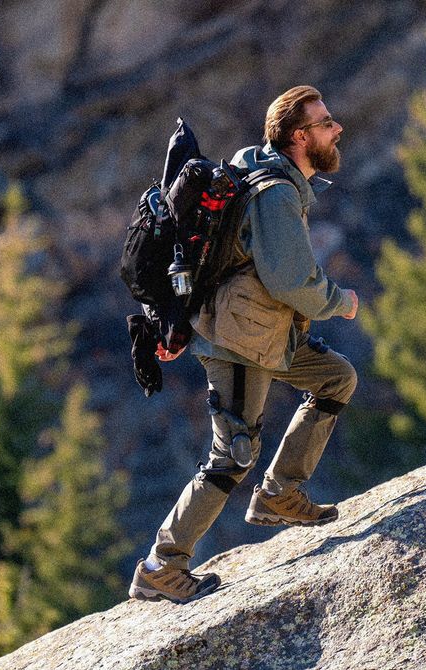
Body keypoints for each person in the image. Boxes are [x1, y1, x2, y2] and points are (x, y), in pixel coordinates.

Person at [129, 86, 360, 604]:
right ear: (300, 138)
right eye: (326, 123)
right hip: (239, 339)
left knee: (335, 378)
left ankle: (280, 493)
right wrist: (338, 300)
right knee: (232, 454)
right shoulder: (275, 194)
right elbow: (291, 280)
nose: (337, 128)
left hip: (266, 332)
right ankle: (161, 566)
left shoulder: (266, 173)